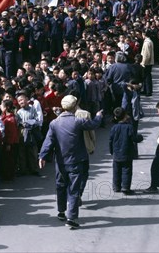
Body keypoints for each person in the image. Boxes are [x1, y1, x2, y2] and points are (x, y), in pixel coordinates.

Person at [38, 95, 103, 230]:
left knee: (60, 185)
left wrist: (42, 156)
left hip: (61, 161)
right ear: (74, 106)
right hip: (76, 160)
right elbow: (94, 124)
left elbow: (48, 141)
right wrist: (99, 115)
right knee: (73, 189)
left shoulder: (54, 123)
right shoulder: (78, 121)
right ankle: (71, 218)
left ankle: (61, 211)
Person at [108, 108, 139, 195]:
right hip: (127, 153)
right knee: (127, 170)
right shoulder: (129, 127)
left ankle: (116, 186)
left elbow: (110, 140)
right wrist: (140, 138)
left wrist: (111, 151)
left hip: (116, 153)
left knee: (116, 170)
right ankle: (125, 187)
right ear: (125, 116)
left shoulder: (114, 128)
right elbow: (134, 138)